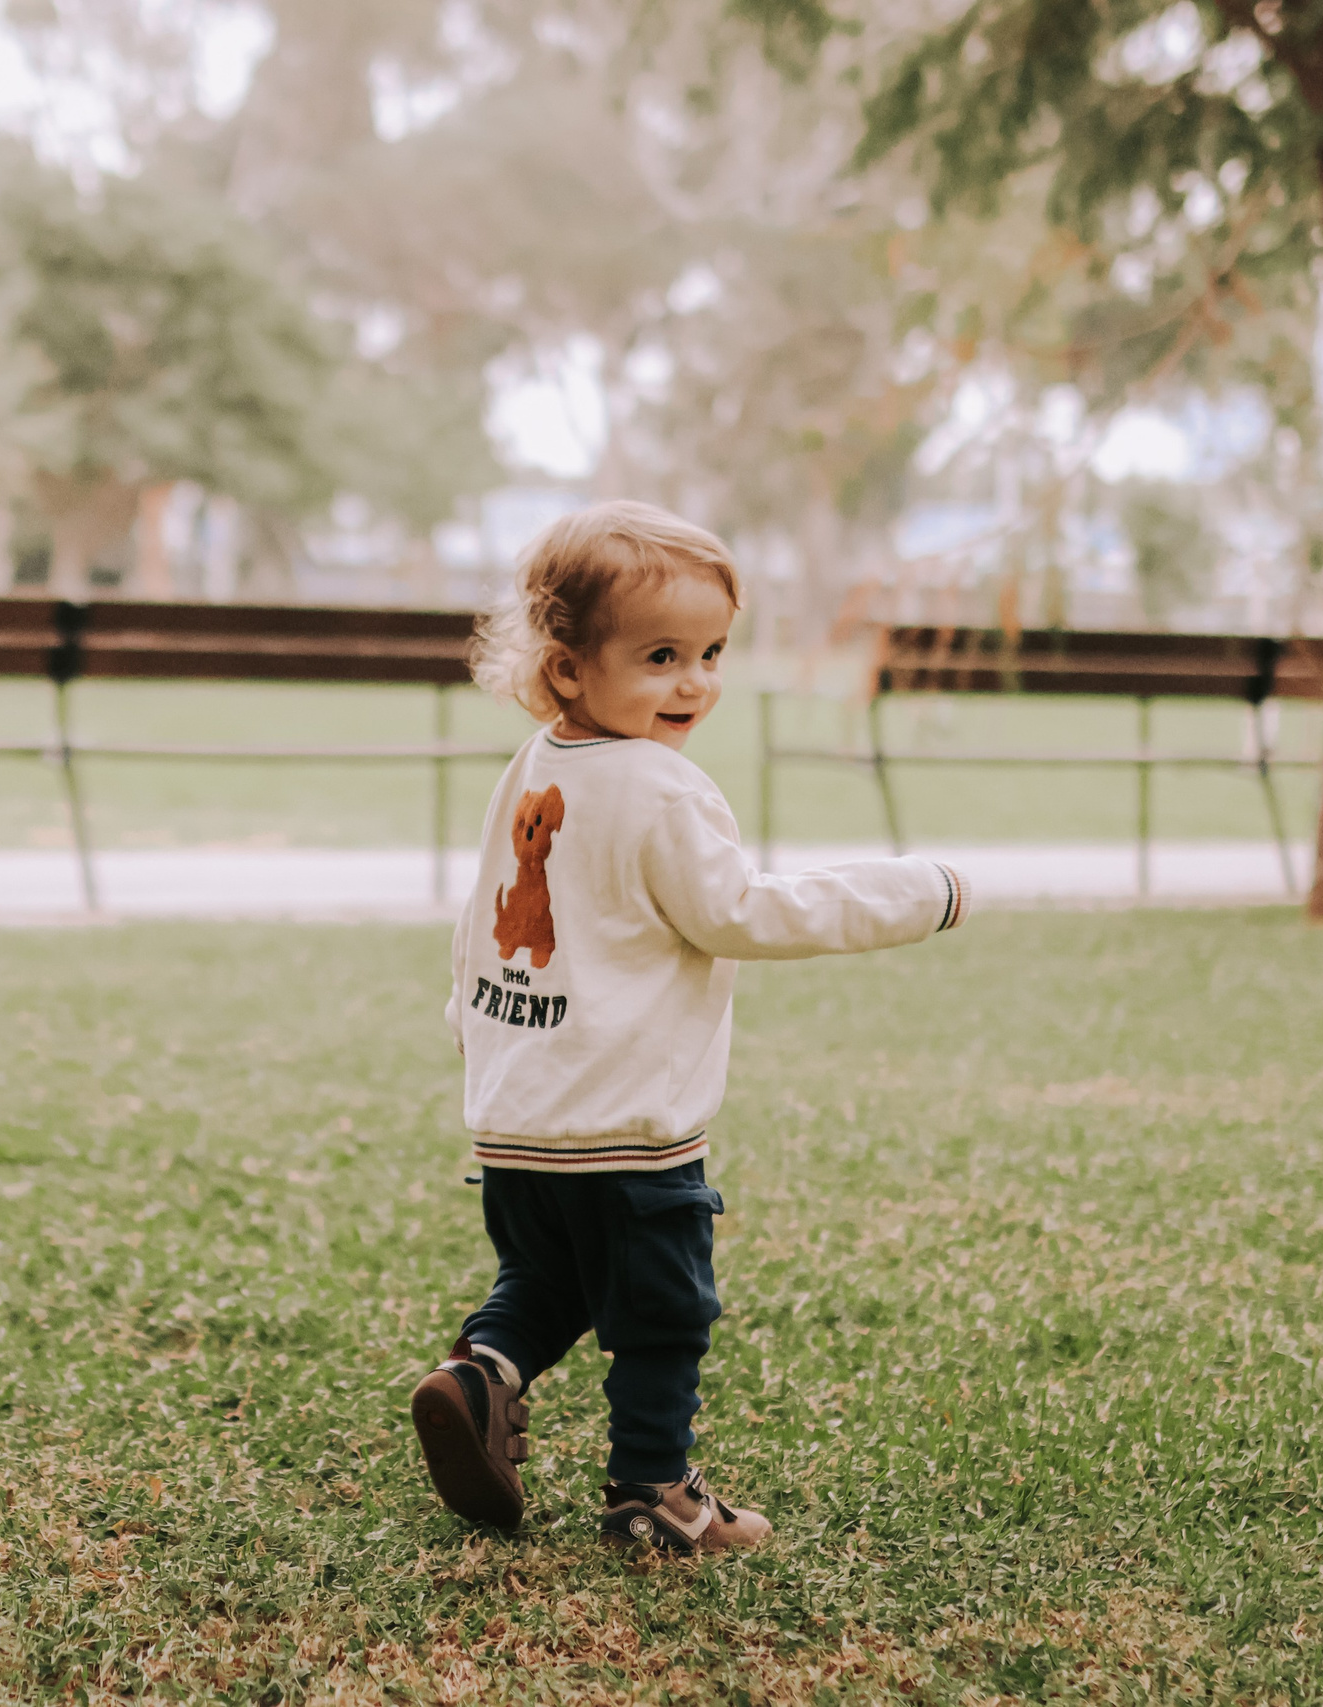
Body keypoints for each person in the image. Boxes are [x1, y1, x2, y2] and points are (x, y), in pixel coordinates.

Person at [412, 501, 971, 1556]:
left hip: (518, 1119)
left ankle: (478, 1374)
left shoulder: (535, 765)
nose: (694, 683)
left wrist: (473, 1036)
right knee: (663, 1311)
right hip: (629, 1126)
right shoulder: (661, 788)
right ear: (568, 666)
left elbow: (482, 923)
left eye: (711, 653)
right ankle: (653, 1498)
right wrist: (913, 892)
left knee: (550, 1281)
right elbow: (742, 913)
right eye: (660, 656)